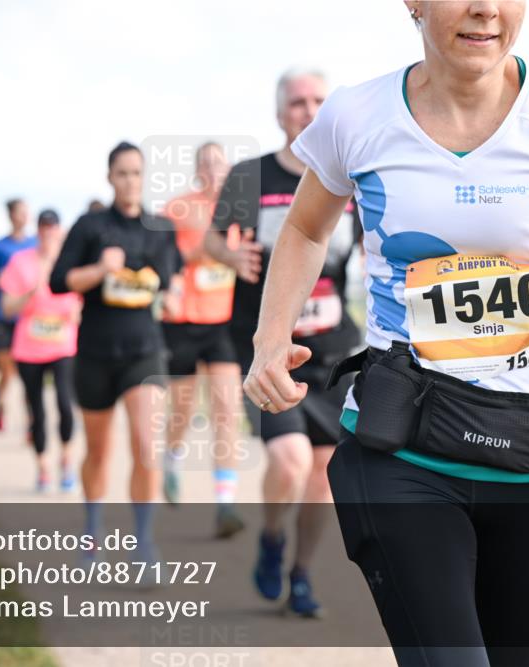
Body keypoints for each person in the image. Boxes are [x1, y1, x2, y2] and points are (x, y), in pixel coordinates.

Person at [244, 2, 529, 664]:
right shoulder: (357, 116)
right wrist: (270, 338)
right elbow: (304, 227)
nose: (484, 9)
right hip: (401, 452)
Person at [203, 70, 362, 617]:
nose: (309, 110)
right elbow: (211, 239)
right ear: (279, 113)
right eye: (298, 102)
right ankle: (272, 536)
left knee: (323, 474)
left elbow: (373, 245)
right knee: (290, 460)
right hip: (273, 349)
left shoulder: (351, 176)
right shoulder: (252, 176)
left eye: (319, 100)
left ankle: (300, 573)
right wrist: (230, 256)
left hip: (333, 353)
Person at [50, 141, 180, 567]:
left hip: (144, 352)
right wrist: (99, 270)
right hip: (95, 353)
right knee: (99, 452)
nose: (130, 181)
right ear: (110, 178)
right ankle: (92, 529)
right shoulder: (90, 226)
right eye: (122, 173)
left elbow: (170, 281)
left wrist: (174, 293)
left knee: (146, 445)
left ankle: (144, 543)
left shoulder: (159, 228)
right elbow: (58, 281)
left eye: (137, 173)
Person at [160, 141, 247, 538]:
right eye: (207, 164)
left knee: (227, 408)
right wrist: (201, 252)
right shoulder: (180, 208)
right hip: (184, 320)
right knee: (181, 409)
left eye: (220, 164)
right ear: (197, 170)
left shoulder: (242, 211)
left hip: (224, 322)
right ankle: (172, 460)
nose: (214, 170)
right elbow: (165, 257)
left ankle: (225, 504)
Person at [0, 209, 82, 492]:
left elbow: (85, 297)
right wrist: (29, 295)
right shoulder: (20, 263)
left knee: (64, 404)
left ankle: (67, 461)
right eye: (44, 228)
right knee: (37, 411)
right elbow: (6, 308)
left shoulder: (72, 261)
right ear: (38, 231)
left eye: (53, 228)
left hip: (63, 344)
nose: (49, 233)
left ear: (59, 231)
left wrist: (77, 312)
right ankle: (43, 468)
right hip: (29, 348)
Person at [0, 198, 37, 430]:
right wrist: (3, 281)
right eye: (20, 212)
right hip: (3, 315)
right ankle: (2, 403)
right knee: (8, 369)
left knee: (29, 373)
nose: (24, 216)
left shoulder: (36, 244)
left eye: (27, 212)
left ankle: (32, 422)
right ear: (11, 215)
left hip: (30, 316)